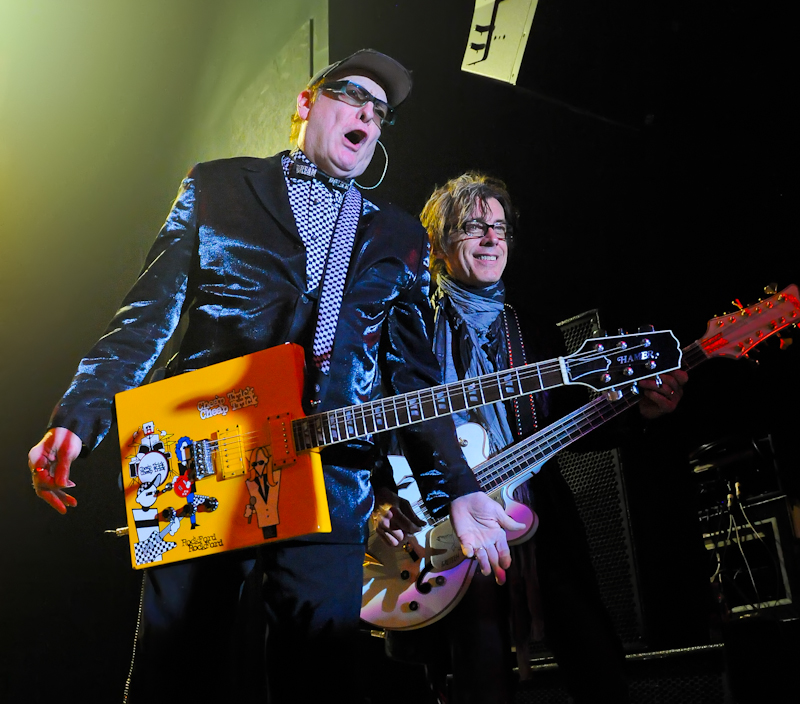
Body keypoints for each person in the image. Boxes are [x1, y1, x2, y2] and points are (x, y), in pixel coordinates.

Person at [26, 53, 523, 703]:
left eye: (380, 114)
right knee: (175, 664)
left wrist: (457, 486)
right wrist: (77, 418)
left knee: (319, 676)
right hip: (202, 455)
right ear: (305, 104)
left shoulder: (396, 234)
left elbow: (416, 380)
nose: (367, 118)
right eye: (351, 97)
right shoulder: (216, 189)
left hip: (329, 475)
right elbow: (144, 322)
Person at [374, 172, 688, 704]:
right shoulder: (409, 327)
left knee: (597, 660)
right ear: (439, 243)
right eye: (474, 226)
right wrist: (383, 499)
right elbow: (385, 424)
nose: (493, 238)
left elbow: (563, 426)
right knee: (479, 672)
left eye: (500, 227)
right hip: (436, 525)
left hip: (536, 510)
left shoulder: (529, 328)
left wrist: (640, 410)